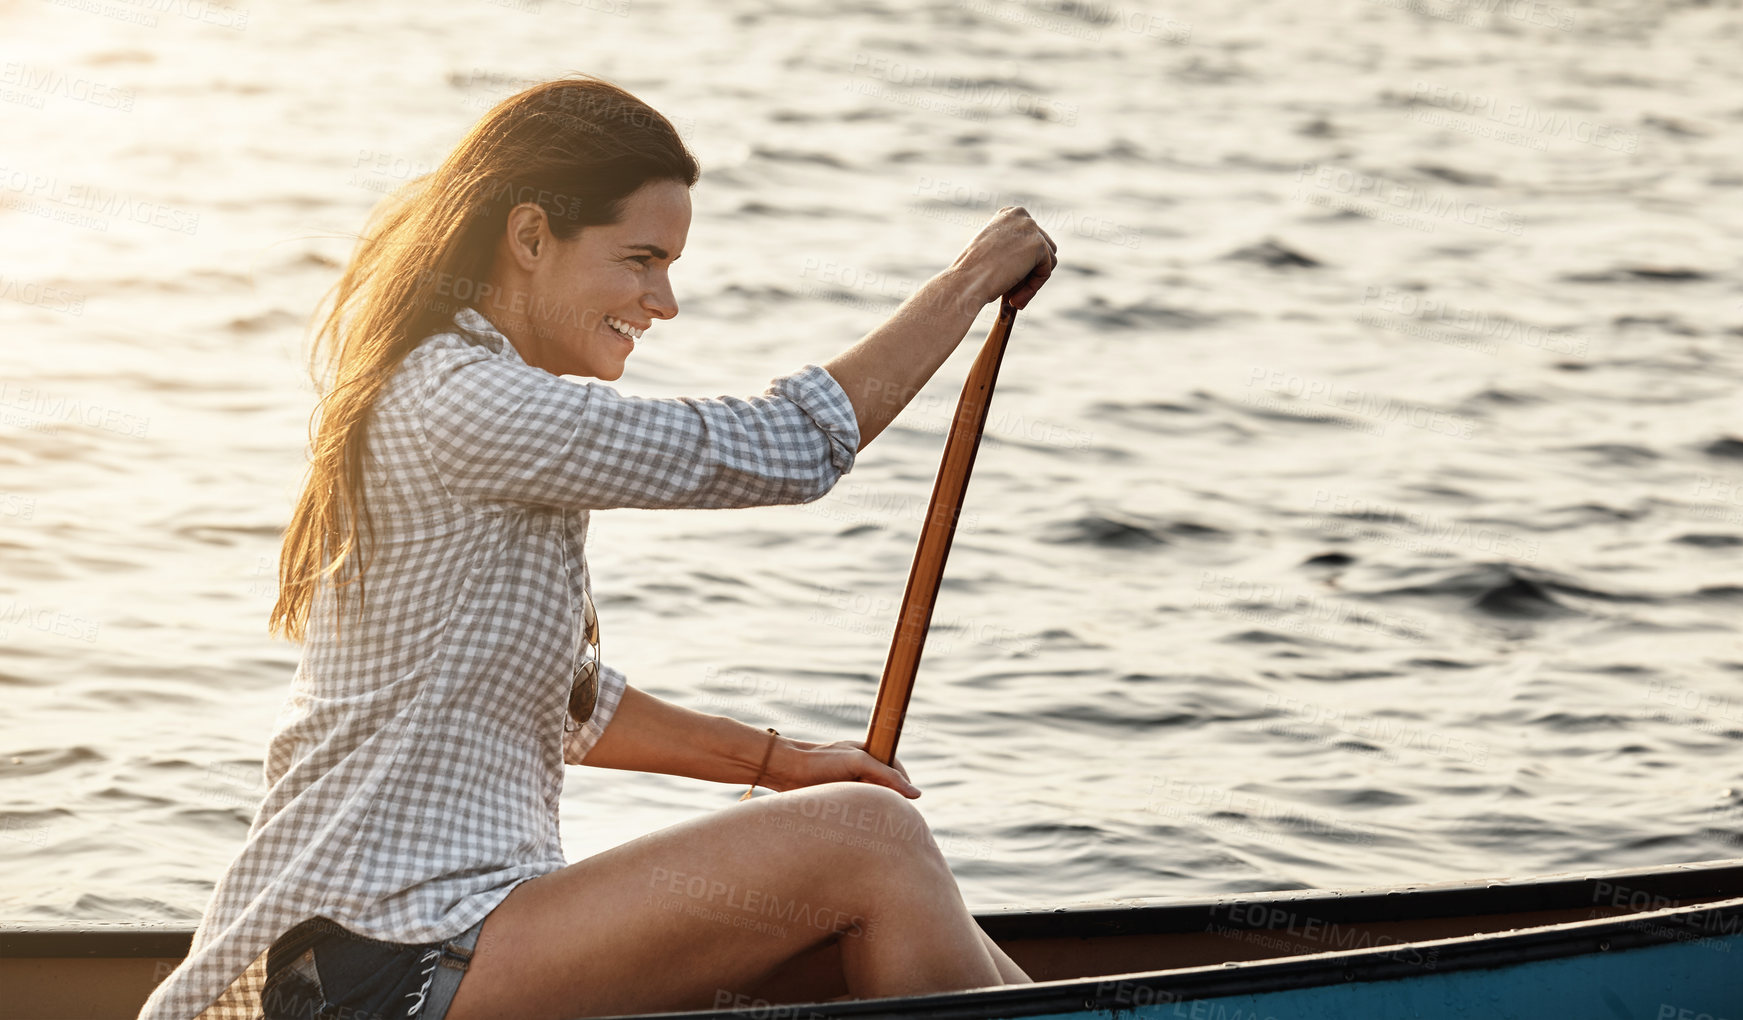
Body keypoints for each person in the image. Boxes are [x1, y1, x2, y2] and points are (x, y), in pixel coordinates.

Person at [137, 76, 1056, 1020]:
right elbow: (789, 448)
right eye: (641, 259)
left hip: (435, 945)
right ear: (530, 238)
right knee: (872, 841)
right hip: (379, 960)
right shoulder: (463, 400)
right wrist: (970, 279)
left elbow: (569, 705)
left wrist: (785, 766)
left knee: (869, 903)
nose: (664, 300)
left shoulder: (475, 395)